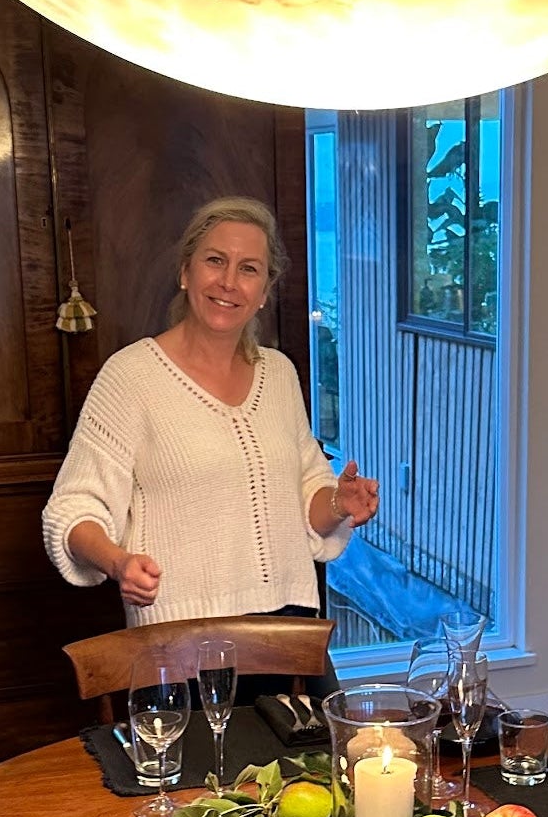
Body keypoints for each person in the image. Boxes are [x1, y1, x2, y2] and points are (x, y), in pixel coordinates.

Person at [41, 197, 378, 644]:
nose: (229, 282)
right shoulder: (131, 377)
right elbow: (72, 511)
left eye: (249, 269)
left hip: (289, 631)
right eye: (215, 261)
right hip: (180, 637)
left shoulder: (278, 374)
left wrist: (339, 503)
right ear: (186, 272)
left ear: (264, 292)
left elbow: (301, 509)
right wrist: (117, 561)